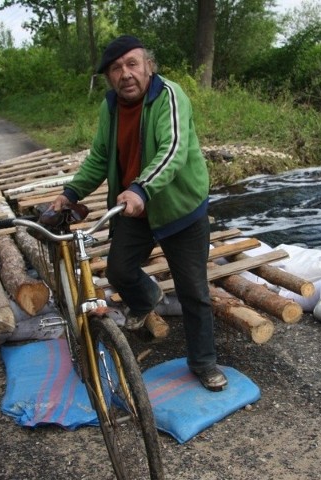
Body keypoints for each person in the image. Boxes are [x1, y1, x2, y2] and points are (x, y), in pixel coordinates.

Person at [50, 35, 227, 392]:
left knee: (193, 290)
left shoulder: (170, 96)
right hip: (135, 206)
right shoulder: (111, 106)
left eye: (132, 64)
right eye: (116, 69)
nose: (125, 74)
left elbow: (173, 148)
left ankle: (204, 362)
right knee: (119, 270)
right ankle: (148, 298)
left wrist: (141, 187)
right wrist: (70, 194)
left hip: (179, 207)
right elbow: (101, 156)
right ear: (110, 77)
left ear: (149, 65)